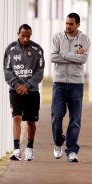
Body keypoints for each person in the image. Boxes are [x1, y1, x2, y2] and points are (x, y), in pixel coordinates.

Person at [51, 13, 90, 162]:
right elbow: (53, 57)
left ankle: (72, 151)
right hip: (59, 83)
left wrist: (63, 54)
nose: (68, 26)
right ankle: (58, 143)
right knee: (56, 116)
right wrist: (74, 55)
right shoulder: (57, 37)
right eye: (66, 23)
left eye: (71, 24)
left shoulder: (85, 39)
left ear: (78, 24)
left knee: (75, 119)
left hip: (76, 84)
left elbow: (83, 59)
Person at [3, 24, 45, 161]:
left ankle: (30, 148)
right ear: (18, 34)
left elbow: (39, 72)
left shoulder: (37, 50)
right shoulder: (10, 49)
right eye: (23, 36)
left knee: (31, 122)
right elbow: (7, 70)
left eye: (28, 36)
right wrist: (16, 85)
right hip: (15, 91)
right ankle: (16, 150)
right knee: (16, 118)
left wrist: (27, 85)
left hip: (32, 92)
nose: (26, 39)